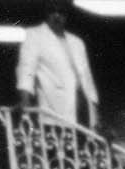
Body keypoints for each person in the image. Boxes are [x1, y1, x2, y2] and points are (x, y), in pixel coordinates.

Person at [15, 0, 98, 128]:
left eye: (61, 12)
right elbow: (26, 70)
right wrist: (25, 101)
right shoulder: (35, 35)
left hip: (83, 109)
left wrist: (95, 112)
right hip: (55, 109)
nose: (57, 15)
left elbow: (87, 79)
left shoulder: (77, 42)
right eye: (52, 11)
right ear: (46, 13)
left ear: (66, 15)